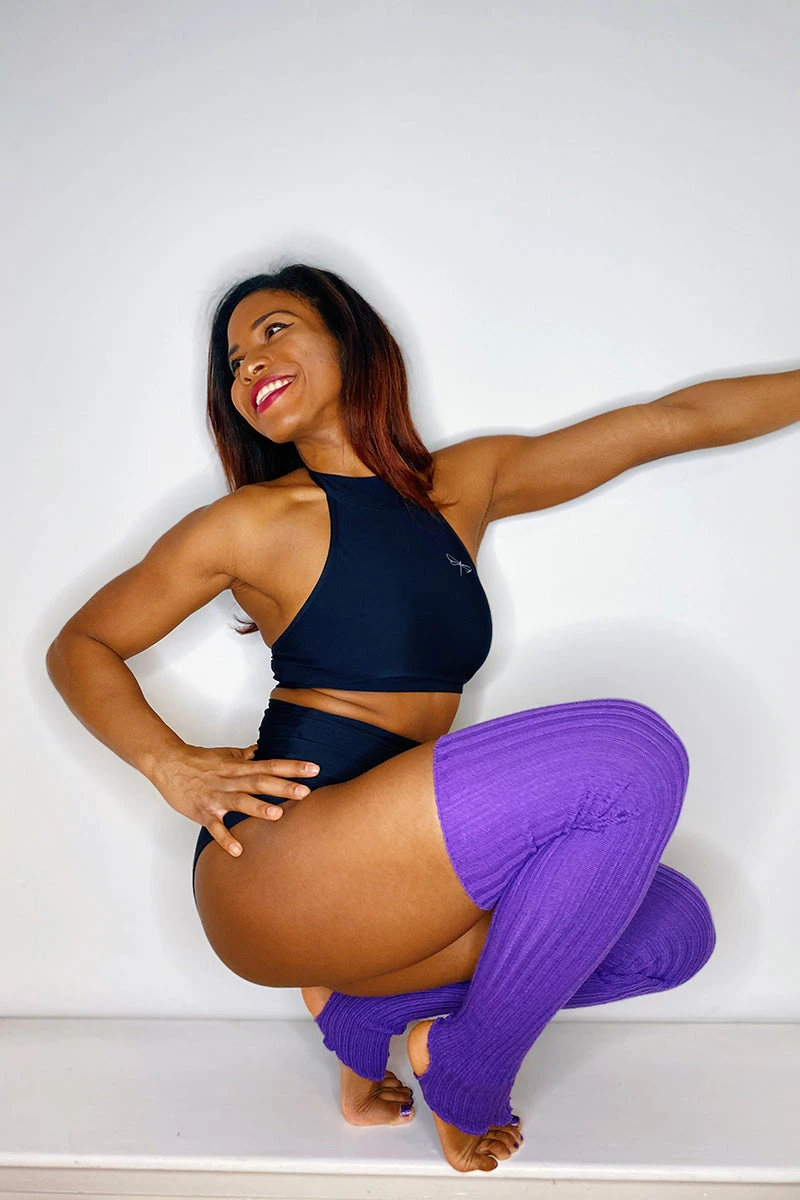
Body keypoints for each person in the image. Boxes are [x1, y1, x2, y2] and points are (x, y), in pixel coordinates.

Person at [46, 263, 797, 1174]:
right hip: (277, 866)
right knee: (627, 756)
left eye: (274, 331)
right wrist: (170, 764)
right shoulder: (251, 522)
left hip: (395, 880)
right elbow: (82, 644)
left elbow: (667, 424)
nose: (250, 367)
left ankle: (366, 1018)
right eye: (234, 363)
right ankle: (468, 1076)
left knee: (673, 935)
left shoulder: (459, 486)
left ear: (350, 340)